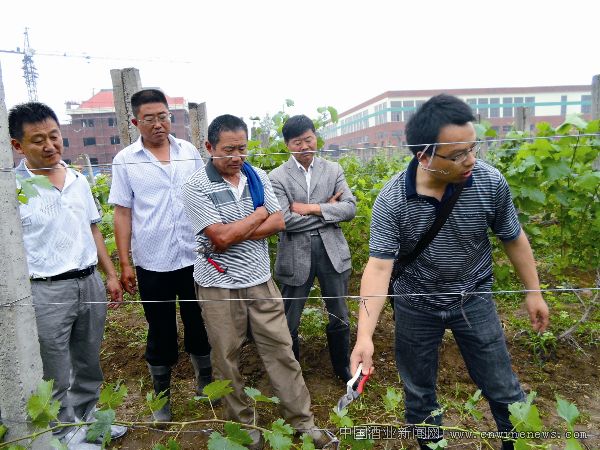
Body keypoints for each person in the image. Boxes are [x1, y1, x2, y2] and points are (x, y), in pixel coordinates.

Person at [349, 94, 550, 450]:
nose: (470, 159)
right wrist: (365, 336)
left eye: (472, 148)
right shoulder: (393, 200)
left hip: (473, 298)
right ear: (424, 156)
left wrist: (533, 291)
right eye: (457, 155)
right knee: (419, 395)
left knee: (503, 388)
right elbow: (379, 267)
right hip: (415, 304)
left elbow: (513, 238)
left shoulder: (488, 182)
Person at [182, 114, 333, 450]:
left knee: (282, 351)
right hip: (218, 286)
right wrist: (258, 214)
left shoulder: (258, 176)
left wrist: (235, 230)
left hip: (260, 281)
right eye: (229, 150)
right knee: (226, 359)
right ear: (209, 147)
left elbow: (278, 223)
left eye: (242, 148)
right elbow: (220, 238)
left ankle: (303, 422)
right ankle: (244, 430)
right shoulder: (196, 185)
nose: (237, 157)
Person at [9, 102, 127, 448]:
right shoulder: (12, 189)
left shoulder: (77, 180)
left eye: (54, 136)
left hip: (88, 282)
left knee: (88, 360)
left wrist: (110, 274)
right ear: (18, 145)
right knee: (55, 368)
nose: (50, 146)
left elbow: (93, 229)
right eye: (38, 140)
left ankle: (87, 420)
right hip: (45, 290)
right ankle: (62, 433)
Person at [108, 89, 212, 422]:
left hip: (195, 256)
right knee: (160, 329)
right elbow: (123, 212)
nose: (158, 124)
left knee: (199, 322)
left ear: (170, 117)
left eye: (163, 117)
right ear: (135, 122)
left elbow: (204, 194)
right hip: (153, 261)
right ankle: (162, 397)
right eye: (149, 118)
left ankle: (205, 381)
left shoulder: (189, 152)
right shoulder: (125, 160)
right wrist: (125, 263)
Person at [269, 115, 356, 382]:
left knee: (339, 313)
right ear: (287, 145)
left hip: (332, 253)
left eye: (308, 139)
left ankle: (342, 368)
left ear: (315, 138)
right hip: (295, 256)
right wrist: (329, 211)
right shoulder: (277, 177)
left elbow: (349, 209)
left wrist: (310, 208)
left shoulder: (333, 169)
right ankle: (292, 374)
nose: (305, 146)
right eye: (297, 142)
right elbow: (284, 220)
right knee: (289, 317)